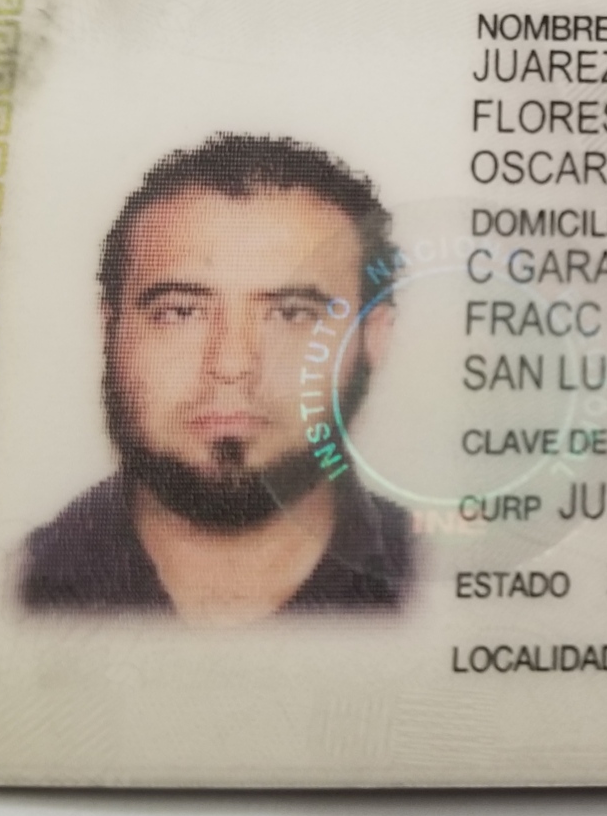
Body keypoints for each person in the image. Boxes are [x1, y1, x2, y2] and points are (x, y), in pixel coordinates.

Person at [20, 134, 414, 620]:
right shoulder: (6, 592)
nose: (230, 365)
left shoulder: (449, 596)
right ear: (110, 330)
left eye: (292, 314)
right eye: (180, 312)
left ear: (373, 337)